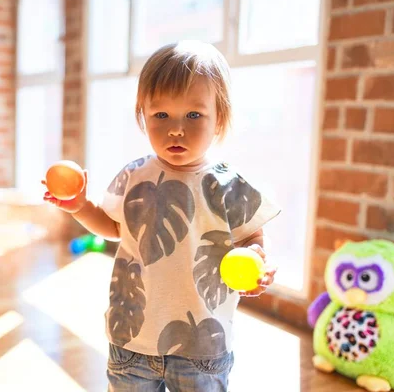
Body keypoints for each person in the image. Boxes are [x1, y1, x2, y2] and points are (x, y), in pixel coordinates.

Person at [43, 40, 281, 392]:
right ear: (143, 115)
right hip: (131, 339)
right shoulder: (135, 175)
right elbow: (113, 228)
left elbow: (251, 239)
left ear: (220, 118)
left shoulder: (228, 185)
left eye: (194, 115)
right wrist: (80, 205)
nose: (176, 129)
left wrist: (256, 261)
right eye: (161, 115)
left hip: (202, 344)